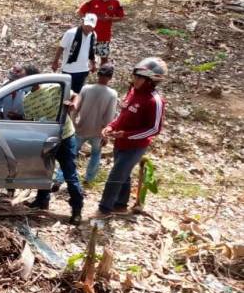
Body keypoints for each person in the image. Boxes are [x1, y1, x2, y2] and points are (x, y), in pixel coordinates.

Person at [97, 58, 167, 216]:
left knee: (115, 176)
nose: (135, 80)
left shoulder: (155, 101)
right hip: (120, 142)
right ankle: (121, 204)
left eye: (139, 78)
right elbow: (122, 115)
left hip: (136, 146)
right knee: (124, 174)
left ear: (150, 81)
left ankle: (104, 209)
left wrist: (127, 135)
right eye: (135, 76)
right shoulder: (132, 92)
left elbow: (154, 129)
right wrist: (111, 126)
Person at [23, 82, 85, 225]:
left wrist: (73, 104)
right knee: (44, 171)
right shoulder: (27, 100)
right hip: (47, 139)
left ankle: (77, 210)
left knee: (70, 174)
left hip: (65, 137)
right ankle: (42, 201)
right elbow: (32, 122)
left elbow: (76, 95)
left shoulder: (54, 87)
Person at [55, 64, 118, 185]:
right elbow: (109, 116)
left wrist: (73, 123)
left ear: (98, 74)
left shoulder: (86, 88)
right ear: (110, 77)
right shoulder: (112, 94)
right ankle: (88, 180)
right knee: (95, 155)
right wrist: (106, 134)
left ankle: (59, 179)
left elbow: (75, 108)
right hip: (98, 132)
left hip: (81, 128)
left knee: (70, 154)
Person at [77, 0, 125, 66]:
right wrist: (86, 22)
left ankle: (102, 75)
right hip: (89, 35)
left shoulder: (115, 2)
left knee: (104, 58)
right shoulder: (93, 1)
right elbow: (80, 11)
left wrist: (110, 18)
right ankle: (85, 72)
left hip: (104, 36)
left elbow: (121, 17)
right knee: (85, 56)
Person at [52, 14, 97, 93]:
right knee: (65, 93)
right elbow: (61, 47)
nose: (88, 28)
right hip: (69, 70)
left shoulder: (93, 35)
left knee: (77, 94)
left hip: (83, 70)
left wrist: (93, 64)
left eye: (91, 26)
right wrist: (55, 61)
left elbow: (91, 51)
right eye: (87, 25)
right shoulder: (70, 33)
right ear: (82, 22)